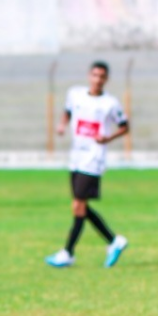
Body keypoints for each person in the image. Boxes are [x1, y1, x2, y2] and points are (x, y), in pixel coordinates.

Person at [46, 61, 130, 268]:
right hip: (76, 156)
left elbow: (125, 127)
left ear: (106, 79)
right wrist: (62, 124)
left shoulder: (110, 103)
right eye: (95, 75)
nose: (98, 79)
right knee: (80, 205)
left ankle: (68, 252)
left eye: (102, 76)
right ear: (89, 76)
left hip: (94, 158)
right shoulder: (75, 94)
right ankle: (114, 241)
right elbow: (67, 111)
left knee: (78, 205)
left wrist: (107, 138)